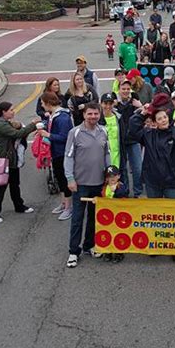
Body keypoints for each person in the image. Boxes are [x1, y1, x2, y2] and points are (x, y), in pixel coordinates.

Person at [64, 102, 110, 268]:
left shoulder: (103, 131)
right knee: (77, 218)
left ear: (99, 115)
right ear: (84, 115)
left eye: (95, 114)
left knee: (94, 217)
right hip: (80, 184)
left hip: (98, 183)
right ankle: (73, 251)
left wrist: (109, 176)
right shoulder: (74, 133)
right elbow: (68, 157)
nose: (93, 117)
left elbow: (107, 154)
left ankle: (89, 245)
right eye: (90, 114)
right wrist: (70, 178)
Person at [0, 101, 39, 224]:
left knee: (15, 184)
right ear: (3, 112)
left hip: (11, 160)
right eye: (10, 110)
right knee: (1, 186)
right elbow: (18, 133)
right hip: (4, 161)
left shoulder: (5, 123)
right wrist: (32, 125)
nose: (13, 111)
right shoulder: (0, 125)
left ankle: (19, 206)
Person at [128, 105, 175, 199]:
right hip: (152, 182)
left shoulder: (174, 132)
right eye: (159, 119)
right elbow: (133, 128)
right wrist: (142, 114)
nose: (163, 120)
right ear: (155, 122)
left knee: (173, 211)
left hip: (172, 182)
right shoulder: (148, 134)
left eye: (165, 117)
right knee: (154, 211)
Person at [38, 91, 74, 220]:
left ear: (48, 103)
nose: (42, 106)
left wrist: (48, 135)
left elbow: (65, 137)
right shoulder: (54, 115)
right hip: (56, 152)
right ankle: (64, 203)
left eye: (42, 103)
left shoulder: (62, 117)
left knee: (64, 180)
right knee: (59, 178)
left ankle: (69, 207)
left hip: (62, 153)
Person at [114, 80, 143, 198]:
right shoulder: (115, 103)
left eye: (127, 89)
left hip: (133, 139)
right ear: (119, 90)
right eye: (123, 89)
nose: (125, 91)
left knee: (137, 168)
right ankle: (124, 192)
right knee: (122, 168)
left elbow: (146, 115)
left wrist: (140, 106)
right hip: (120, 140)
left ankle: (138, 192)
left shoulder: (135, 101)